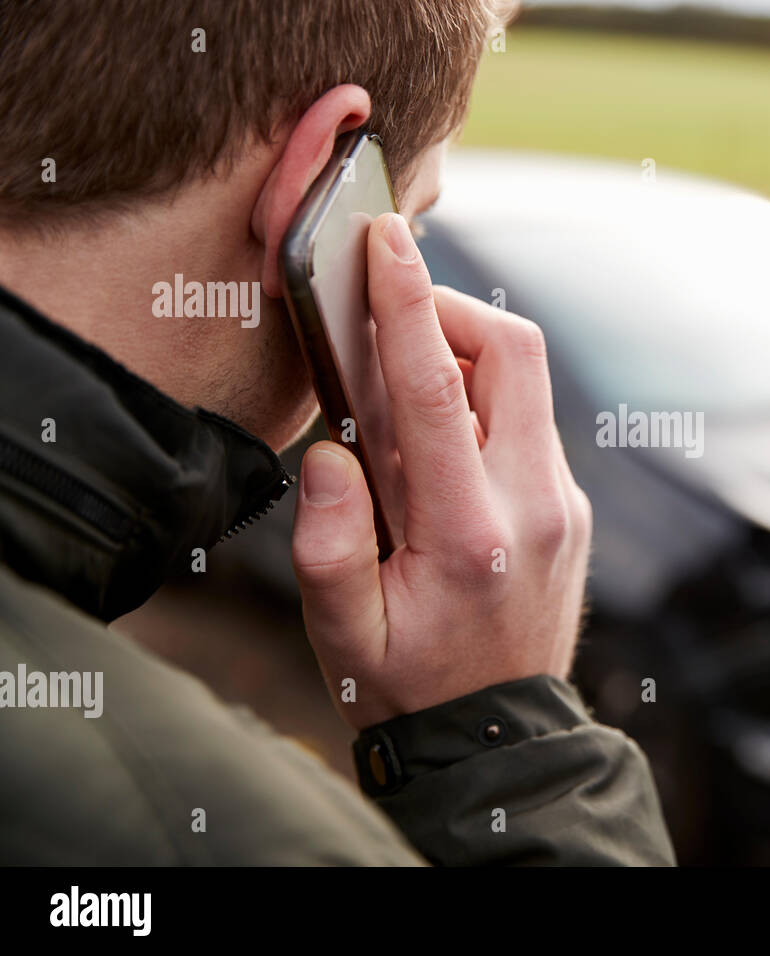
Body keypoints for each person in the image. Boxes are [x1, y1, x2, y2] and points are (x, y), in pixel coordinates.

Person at [0, 0, 674, 865]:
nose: (409, 265)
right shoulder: (229, 837)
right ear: (312, 179)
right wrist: (512, 747)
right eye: (407, 219)